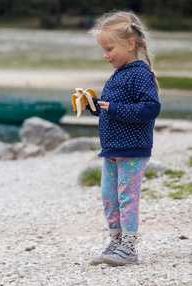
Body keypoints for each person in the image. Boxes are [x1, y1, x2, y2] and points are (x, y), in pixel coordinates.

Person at [86, 11, 161, 266]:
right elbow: (113, 106)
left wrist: (114, 109)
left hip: (132, 149)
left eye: (109, 48)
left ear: (130, 45)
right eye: (103, 49)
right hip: (112, 149)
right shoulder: (118, 74)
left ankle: (129, 247)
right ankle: (115, 242)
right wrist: (96, 106)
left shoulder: (140, 73)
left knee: (127, 197)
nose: (105, 55)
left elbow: (151, 108)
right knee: (109, 196)